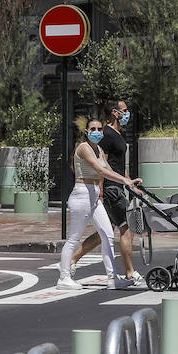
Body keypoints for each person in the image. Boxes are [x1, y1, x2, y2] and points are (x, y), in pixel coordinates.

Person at [72, 99, 144, 287]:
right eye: (125, 110)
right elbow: (102, 164)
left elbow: (119, 165)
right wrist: (103, 189)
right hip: (112, 189)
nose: (127, 113)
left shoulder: (119, 134)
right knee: (126, 229)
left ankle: (72, 260)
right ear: (115, 112)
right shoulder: (108, 135)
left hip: (118, 186)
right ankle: (130, 273)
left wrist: (130, 184)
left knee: (104, 232)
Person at [57, 120, 119, 290]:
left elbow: (108, 171)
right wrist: (126, 181)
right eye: (93, 129)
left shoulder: (98, 149)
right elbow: (100, 170)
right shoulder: (84, 147)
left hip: (93, 195)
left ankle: (112, 277)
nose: (97, 131)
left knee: (107, 235)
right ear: (86, 131)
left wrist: (128, 181)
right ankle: (63, 277)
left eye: (100, 129)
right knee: (73, 238)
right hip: (82, 193)